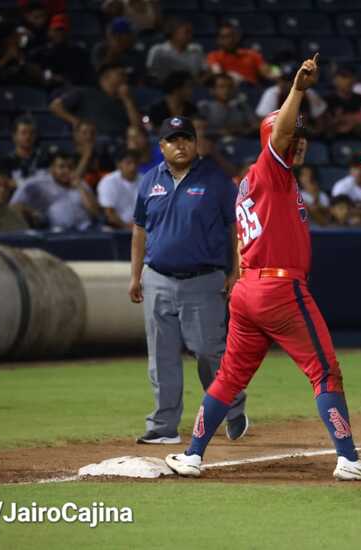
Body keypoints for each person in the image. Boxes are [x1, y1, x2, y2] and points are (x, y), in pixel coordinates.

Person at [164, 54, 361, 481]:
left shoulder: (252, 182)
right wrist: (298, 89)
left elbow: (241, 238)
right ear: (274, 139)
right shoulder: (270, 167)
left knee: (230, 377)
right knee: (325, 371)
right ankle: (347, 458)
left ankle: (192, 454)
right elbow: (280, 132)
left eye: (302, 137)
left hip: (249, 290)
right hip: (279, 290)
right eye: (292, 136)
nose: (298, 142)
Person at [128, 116, 248, 445]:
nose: (180, 145)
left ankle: (232, 408)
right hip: (157, 278)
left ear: (196, 144)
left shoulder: (216, 179)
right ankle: (163, 426)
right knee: (161, 356)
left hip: (203, 279)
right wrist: (135, 275)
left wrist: (236, 271)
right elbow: (139, 229)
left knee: (209, 352)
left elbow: (236, 227)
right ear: (161, 146)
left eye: (186, 138)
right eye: (172, 139)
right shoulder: (149, 180)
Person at [10, 150, 100, 230]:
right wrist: (32, 213)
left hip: (86, 230)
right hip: (54, 233)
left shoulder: (81, 183)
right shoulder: (39, 183)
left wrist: (80, 187)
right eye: (61, 167)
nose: (66, 171)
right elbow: (15, 206)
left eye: (70, 167)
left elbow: (95, 212)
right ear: (52, 169)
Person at [49, 62, 142, 140]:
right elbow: (55, 106)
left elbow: (138, 128)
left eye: (125, 75)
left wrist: (128, 100)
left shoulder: (127, 101)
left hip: (121, 142)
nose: (125, 78)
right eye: (120, 74)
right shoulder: (84, 93)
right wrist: (76, 121)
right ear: (106, 76)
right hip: (94, 140)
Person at [255, 64, 326, 131]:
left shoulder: (309, 94)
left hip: (305, 135)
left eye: (289, 81)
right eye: (282, 79)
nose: (284, 84)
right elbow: (265, 125)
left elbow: (321, 123)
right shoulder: (272, 93)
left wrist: (308, 131)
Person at [29, 14, 93, 88]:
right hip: (44, 90)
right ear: (49, 32)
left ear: (68, 32)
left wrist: (59, 79)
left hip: (71, 90)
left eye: (63, 30)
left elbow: (78, 77)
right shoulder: (38, 53)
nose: (60, 34)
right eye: (56, 30)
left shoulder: (79, 53)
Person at [206, 22, 274, 86]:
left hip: (251, 90)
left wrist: (275, 70)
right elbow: (217, 74)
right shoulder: (213, 56)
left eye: (231, 36)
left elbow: (269, 73)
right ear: (218, 40)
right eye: (224, 37)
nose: (229, 40)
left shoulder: (253, 54)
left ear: (237, 37)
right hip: (228, 90)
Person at [323, 66, 361, 140]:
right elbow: (321, 129)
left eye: (350, 77)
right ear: (335, 80)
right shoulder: (327, 101)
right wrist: (335, 123)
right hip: (336, 141)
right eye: (344, 77)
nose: (348, 80)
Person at [0, 19, 44, 87]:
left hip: (24, 88)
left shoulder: (26, 51)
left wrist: (21, 61)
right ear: (6, 39)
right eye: (15, 34)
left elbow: (40, 75)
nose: (19, 36)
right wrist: (4, 61)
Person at [198, 73, 258, 138]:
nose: (226, 90)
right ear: (212, 90)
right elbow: (200, 130)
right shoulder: (205, 107)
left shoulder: (242, 106)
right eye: (221, 87)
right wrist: (219, 132)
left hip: (241, 140)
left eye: (230, 86)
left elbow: (255, 125)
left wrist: (242, 130)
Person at [146, 18, 206, 83]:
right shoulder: (157, 50)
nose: (190, 36)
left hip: (193, 86)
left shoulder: (197, 49)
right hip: (164, 86)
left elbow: (204, 70)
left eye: (191, 32)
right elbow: (152, 74)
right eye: (187, 32)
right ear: (173, 33)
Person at [97, 149, 141, 228]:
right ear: (119, 164)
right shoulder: (108, 182)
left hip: (142, 228)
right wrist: (129, 228)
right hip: (117, 228)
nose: (133, 167)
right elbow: (109, 213)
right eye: (128, 163)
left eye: (135, 163)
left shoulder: (146, 180)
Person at [0, 115, 48, 185]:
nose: (28, 137)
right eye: (23, 133)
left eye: (32, 133)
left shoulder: (46, 158)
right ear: (14, 136)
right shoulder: (5, 161)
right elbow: (5, 183)